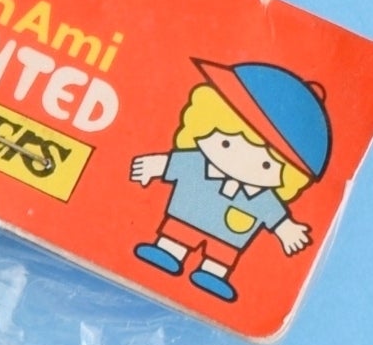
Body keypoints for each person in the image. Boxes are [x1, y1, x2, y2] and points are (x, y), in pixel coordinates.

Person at [130, 60, 330, 303]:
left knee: (221, 255)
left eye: (266, 165)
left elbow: (274, 215)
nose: (240, 162)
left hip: (228, 239)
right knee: (177, 235)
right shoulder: (194, 162)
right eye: (226, 143)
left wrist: (286, 230)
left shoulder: (263, 197)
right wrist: (153, 166)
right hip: (185, 218)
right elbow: (170, 163)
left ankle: (213, 274)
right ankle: (168, 251)